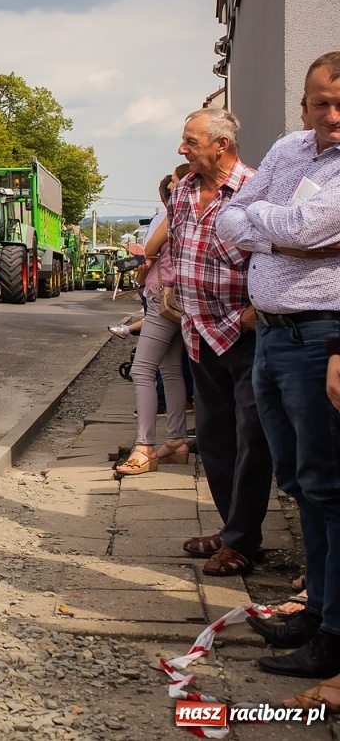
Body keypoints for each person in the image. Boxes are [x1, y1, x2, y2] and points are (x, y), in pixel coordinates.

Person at [217, 51, 340, 681]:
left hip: (322, 335)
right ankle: (315, 609)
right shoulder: (292, 149)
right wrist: (283, 232)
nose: (331, 116)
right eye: (320, 103)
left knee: (329, 486)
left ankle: (334, 631)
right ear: (305, 101)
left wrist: (270, 225)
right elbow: (229, 222)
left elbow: (309, 222)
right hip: (272, 333)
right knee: (297, 479)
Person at [168, 106, 271, 578]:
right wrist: (171, 283)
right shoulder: (184, 189)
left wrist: (258, 311)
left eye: (190, 141)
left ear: (221, 146)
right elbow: (176, 245)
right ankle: (234, 530)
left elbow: (271, 252)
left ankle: (242, 540)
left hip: (245, 332)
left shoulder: (256, 188)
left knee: (253, 437)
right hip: (198, 331)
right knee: (213, 437)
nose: (182, 149)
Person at [112, 171, 191, 476]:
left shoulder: (173, 214)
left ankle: (144, 447)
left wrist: (143, 265)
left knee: (142, 369)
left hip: (162, 296)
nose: (171, 192)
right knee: (171, 370)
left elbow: (148, 254)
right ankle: (175, 442)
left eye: (174, 187)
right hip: (183, 296)